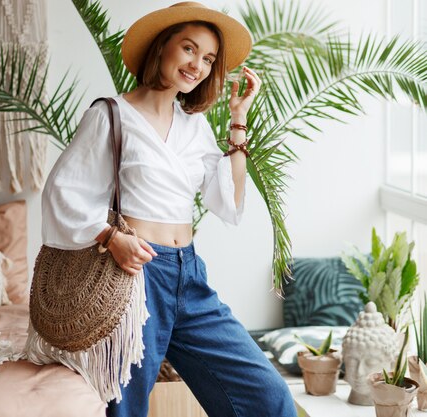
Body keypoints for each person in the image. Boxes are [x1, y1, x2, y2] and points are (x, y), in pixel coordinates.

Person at [41, 2, 298, 416]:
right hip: (136, 276)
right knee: (125, 409)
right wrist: (111, 237)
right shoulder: (111, 114)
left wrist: (238, 120)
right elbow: (61, 192)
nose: (197, 64)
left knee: (268, 398)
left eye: (209, 58)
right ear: (162, 48)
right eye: (189, 49)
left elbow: (228, 203)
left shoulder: (194, 127)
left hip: (190, 275)